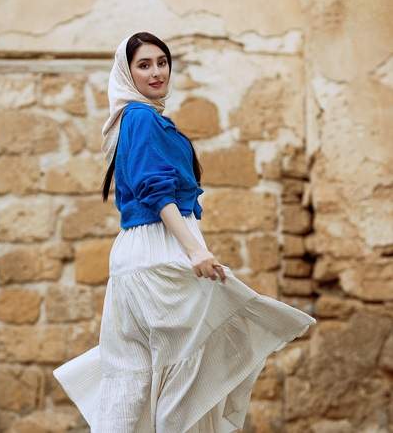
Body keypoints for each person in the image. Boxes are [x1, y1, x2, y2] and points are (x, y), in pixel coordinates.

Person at [53, 32, 317, 432]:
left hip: (134, 257)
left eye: (162, 62)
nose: (156, 72)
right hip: (161, 251)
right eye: (144, 65)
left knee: (134, 378)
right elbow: (156, 192)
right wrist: (195, 250)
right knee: (188, 372)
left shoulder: (136, 119)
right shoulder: (141, 117)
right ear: (127, 73)